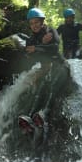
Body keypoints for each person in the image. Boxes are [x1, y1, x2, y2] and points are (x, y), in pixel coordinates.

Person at [17, 7, 64, 146]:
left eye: (37, 22)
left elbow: (55, 48)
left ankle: (43, 114)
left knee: (51, 85)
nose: (34, 25)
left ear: (42, 22)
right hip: (45, 68)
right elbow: (31, 56)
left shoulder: (51, 32)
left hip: (60, 66)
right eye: (31, 23)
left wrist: (38, 48)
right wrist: (41, 46)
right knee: (38, 87)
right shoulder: (31, 39)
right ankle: (30, 118)